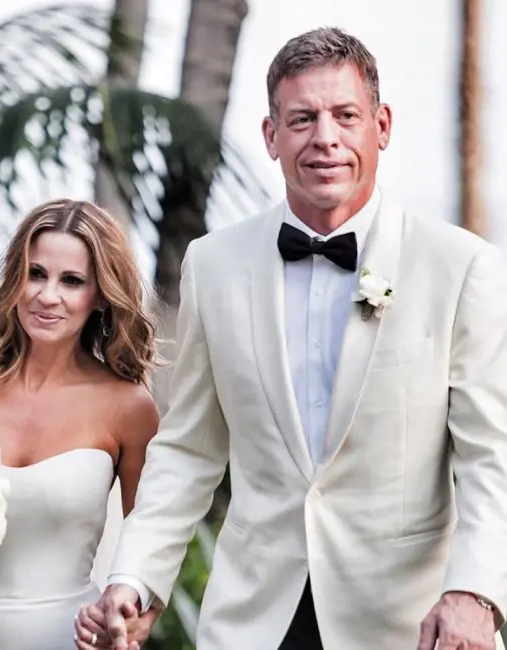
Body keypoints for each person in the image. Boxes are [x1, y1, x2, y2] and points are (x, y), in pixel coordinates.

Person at [75, 26, 507, 650]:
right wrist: (134, 577)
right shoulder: (213, 264)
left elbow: (491, 458)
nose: (325, 138)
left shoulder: (461, 266)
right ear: (271, 136)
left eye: (345, 116)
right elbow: (189, 450)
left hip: (412, 627)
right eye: (302, 118)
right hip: (255, 621)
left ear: (381, 126)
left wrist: (474, 593)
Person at [0, 199, 161, 650]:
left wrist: (138, 616)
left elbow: (153, 538)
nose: (47, 296)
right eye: (36, 273)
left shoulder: (129, 408)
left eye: (72, 281)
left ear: (100, 294)